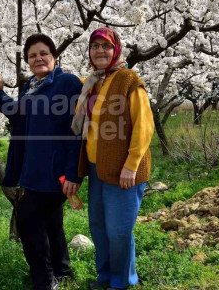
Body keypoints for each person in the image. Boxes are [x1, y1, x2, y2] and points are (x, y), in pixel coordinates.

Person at [0, 33, 83, 290]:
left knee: (28, 218)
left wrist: (74, 173)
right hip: (33, 169)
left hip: (56, 171)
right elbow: (20, 117)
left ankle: (44, 281)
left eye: (43, 53)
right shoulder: (29, 86)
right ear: (27, 62)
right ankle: (61, 270)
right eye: (32, 56)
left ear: (54, 56)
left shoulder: (67, 83)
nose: (38, 58)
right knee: (51, 218)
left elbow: (77, 131)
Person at [71, 27, 154, 290]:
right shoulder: (92, 82)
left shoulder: (128, 79)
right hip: (97, 168)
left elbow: (144, 126)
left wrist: (131, 165)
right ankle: (105, 275)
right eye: (95, 46)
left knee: (119, 230)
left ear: (116, 49)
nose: (100, 51)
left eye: (106, 46)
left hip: (123, 170)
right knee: (98, 226)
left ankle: (122, 281)